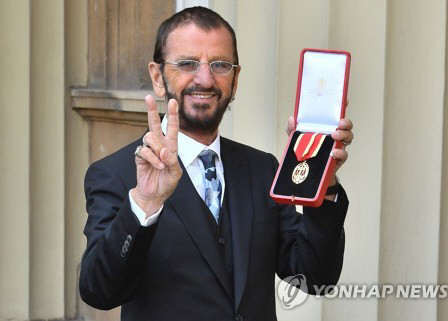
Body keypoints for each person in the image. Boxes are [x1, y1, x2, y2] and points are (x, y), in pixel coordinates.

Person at [79, 6, 353, 321]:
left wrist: (325, 180)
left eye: (220, 65)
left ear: (235, 79)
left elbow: (314, 278)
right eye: (187, 64)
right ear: (157, 77)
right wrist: (144, 203)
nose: (206, 79)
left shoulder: (262, 169)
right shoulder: (115, 174)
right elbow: (99, 292)